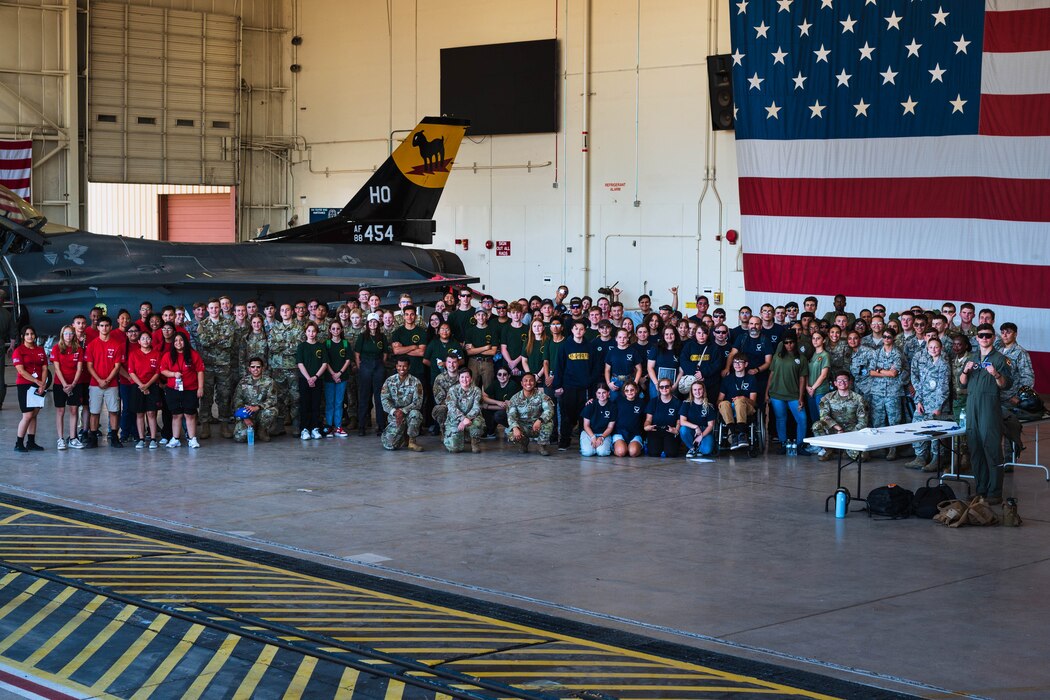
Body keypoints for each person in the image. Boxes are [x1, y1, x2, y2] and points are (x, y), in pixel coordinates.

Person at [959, 324, 1012, 505]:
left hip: (989, 407)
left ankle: (994, 492)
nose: (984, 338)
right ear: (976, 338)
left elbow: (1005, 384)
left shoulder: (1000, 359)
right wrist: (966, 370)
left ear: (993, 337)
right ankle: (981, 489)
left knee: (991, 449)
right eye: (981, 335)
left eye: (988, 336)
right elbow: (962, 383)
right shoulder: (972, 358)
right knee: (975, 449)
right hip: (972, 404)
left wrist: (996, 374)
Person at [906, 337, 950, 471]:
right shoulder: (927, 363)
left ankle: (937, 459)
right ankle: (920, 457)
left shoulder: (943, 364)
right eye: (930, 347)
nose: (933, 350)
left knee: (935, 433)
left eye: (936, 347)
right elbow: (920, 385)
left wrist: (938, 407)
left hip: (936, 405)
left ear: (941, 348)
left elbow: (943, 388)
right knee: (917, 428)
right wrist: (918, 401)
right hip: (923, 403)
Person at [554, 320, 598, 450]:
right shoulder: (564, 346)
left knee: (583, 416)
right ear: (572, 330)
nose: (579, 331)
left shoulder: (590, 347)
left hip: (585, 387)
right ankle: (564, 441)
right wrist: (558, 385)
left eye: (581, 329)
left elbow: (595, 368)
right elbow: (559, 367)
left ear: (585, 330)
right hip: (568, 387)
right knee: (567, 415)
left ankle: (582, 442)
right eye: (576, 329)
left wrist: (590, 382)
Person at [197, 298, 238, 439]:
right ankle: (205, 425)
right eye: (211, 308)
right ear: (207, 309)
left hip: (223, 365)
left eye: (216, 307)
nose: (214, 310)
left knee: (224, 396)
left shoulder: (228, 323)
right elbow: (203, 341)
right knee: (206, 397)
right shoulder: (202, 324)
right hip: (207, 366)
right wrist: (220, 338)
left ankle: (224, 425)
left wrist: (212, 339)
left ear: (220, 308)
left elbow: (228, 342)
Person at [84, 316, 126, 449]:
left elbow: (117, 366)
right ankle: (92, 438)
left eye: (107, 325)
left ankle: (114, 437)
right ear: (98, 327)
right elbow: (89, 366)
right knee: (94, 412)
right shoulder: (92, 345)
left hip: (112, 385)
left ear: (111, 327)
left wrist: (107, 380)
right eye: (101, 325)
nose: (104, 328)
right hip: (95, 384)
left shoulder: (116, 345)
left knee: (114, 411)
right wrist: (99, 380)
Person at [159, 333, 205, 448]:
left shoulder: (193, 355)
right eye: (175, 341)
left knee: (190, 414)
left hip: (190, 389)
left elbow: (200, 371)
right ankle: (175, 438)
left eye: (181, 340)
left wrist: (200, 388)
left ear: (185, 342)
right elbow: (163, 370)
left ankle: (192, 438)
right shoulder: (168, 356)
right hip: (173, 390)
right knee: (176, 415)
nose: (178, 343)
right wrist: (173, 374)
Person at [811, 371, 869, 461]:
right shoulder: (827, 397)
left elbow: (863, 421)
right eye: (839, 380)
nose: (842, 382)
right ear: (835, 383)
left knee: (862, 457)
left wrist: (851, 435)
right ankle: (829, 450)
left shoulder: (858, 398)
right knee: (817, 426)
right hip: (834, 431)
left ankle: (845, 450)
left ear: (850, 382)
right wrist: (838, 428)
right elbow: (824, 416)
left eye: (845, 380)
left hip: (852, 432)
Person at [767, 334, 809, 454]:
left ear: (796, 343)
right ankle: (783, 443)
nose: (789, 345)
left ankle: (800, 445)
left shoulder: (802, 358)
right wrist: (766, 392)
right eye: (786, 342)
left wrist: (801, 397)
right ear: (783, 344)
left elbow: (802, 379)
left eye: (791, 342)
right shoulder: (777, 357)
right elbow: (771, 375)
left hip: (794, 395)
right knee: (781, 419)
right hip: (777, 394)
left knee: (802, 419)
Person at [869, 327, 904, 460]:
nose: (886, 339)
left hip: (893, 392)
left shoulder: (897, 353)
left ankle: (892, 449)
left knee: (894, 422)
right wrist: (885, 371)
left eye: (889, 337)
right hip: (877, 392)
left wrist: (879, 370)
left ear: (894, 338)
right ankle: (880, 448)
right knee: (878, 421)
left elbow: (894, 373)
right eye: (884, 336)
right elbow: (871, 371)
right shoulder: (877, 352)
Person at [12, 326, 48, 452]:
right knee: (27, 415)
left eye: (32, 334)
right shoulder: (19, 350)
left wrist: (42, 384)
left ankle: (31, 442)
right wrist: (36, 381)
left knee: (34, 414)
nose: (30, 336)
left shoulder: (40, 350)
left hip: (38, 385)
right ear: (23, 336)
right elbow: (21, 371)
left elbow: (44, 368)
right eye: (27, 334)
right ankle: (19, 443)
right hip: (24, 385)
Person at [268, 303, 303, 433]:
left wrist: (281, 346)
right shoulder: (274, 328)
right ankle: (280, 425)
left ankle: (296, 425)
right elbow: (272, 347)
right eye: (282, 310)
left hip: (294, 368)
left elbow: (299, 346)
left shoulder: (299, 328)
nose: (285, 312)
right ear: (280, 313)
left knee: (296, 397)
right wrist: (288, 346)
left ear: (292, 312)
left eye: (287, 310)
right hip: (278, 368)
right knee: (279, 397)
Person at [126, 330, 163, 449]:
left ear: (151, 341)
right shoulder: (133, 354)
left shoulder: (156, 354)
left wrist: (147, 385)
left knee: (151, 413)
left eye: (148, 338)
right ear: (139, 341)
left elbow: (158, 372)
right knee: (140, 413)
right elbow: (131, 372)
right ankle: (141, 439)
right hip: (137, 386)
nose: (145, 341)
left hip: (152, 386)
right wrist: (142, 386)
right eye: (143, 339)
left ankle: (152, 438)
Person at [50, 325, 85, 450]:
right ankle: (60, 439)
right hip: (60, 385)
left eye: (70, 333)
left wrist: (73, 384)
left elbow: (79, 368)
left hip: (75, 384)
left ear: (74, 335)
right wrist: (65, 384)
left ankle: (73, 438)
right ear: (62, 335)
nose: (68, 336)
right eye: (66, 333)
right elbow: (57, 368)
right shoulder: (56, 348)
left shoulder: (78, 349)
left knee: (74, 410)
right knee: (60, 411)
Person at [380, 357, 424, 451]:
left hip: (409, 412)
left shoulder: (416, 382)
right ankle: (403, 438)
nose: (402, 369)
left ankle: (412, 441)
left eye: (404, 366)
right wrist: (394, 412)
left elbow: (418, 402)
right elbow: (384, 400)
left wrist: (403, 410)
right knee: (389, 445)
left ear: (409, 367)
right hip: (395, 414)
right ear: (396, 366)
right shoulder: (389, 381)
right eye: (399, 366)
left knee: (416, 414)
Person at [355, 313, 388, 436]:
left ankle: (381, 425)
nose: (373, 324)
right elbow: (357, 354)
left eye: (375, 322)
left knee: (379, 398)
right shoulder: (362, 336)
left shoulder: (382, 337)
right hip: (365, 366)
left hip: (378, 365)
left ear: (378, 324)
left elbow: (385, 353)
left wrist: (381, 365)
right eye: (370, 322)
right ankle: (361, 426)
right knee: (364, 397)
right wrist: (361, 367)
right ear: (367, 324)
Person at [506, 372, 554, 455]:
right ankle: (523, 443)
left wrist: (540, 420)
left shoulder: (541, 395)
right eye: (525, 380)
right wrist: (515, 428)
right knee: (511, 433)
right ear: (521, 383)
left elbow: (549, 410)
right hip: (523, 426)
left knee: (549, 423)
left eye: (531, 381)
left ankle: (542, 445)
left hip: (537, 426)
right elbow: (511, 415)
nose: (528, 383)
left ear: (535, 383)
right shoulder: (515, 398)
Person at [233, 357, 279, 443]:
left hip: (261, 412)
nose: (255, 369)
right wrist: (245, 417)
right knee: (239, 438)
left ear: (262, 368)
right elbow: (237, 400)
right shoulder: (243, 381)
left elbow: (272, 399)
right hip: (247, 413)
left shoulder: (269, 381)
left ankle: (262, 430)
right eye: (253, 367)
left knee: (271, 411)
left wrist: (258, 407)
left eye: (258, 367)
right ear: (249, 369)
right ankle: (252, 427)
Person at [296, 321, 328, 440]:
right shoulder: (302, 346)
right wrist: (309, 378)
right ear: (305, 332)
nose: (311, 333)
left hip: (317, 380)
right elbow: (300, 363)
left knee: (316, 404)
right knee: (305, 404)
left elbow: (325, 363)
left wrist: (315, 377)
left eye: (313, 331)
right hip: (304, 379)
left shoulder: (321, 346)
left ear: (317, 333)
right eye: (309, 331)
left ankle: (315, 428)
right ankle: (304, 429)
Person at [718, 356, 758, 450]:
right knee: (723, 404)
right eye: (735, 362)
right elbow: (719, 400)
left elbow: (753, 403)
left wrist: (743, 398)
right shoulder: (727, 379)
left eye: (740, 362)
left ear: (746, 364)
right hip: (730, 408)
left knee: (739, 401)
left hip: (746, 407)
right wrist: (724, 403)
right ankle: (733, 435)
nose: (737, 364)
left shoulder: (751, 379)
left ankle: (742, 434)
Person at [443, 367, 486, 453]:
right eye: (462, 377)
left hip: (472, 419)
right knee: (454, 449)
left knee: (478, 423)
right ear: (459, 378)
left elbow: (476, 408)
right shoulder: (453, 390)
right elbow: (451, 408)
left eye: (467, 377)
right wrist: (463, 419)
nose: (464, 379)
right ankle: (461, 436)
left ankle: (474, 442)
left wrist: (466, 419)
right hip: (456, 419)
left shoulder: (476, 390)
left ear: (471, 379)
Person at [322, 320, 352, 437]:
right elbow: (326, 361)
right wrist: (333, 374)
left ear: (341, 330)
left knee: (339, 402)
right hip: (329, 378)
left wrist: (339, 373)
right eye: (333, 329)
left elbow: (348, 360)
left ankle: (338, 427)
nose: (336, 331)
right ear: (330, 330)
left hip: (342, 377)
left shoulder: (345, 344)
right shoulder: (327, 344)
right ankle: (329, 427)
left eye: (338, 328)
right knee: (330, 403)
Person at [645, 377, 682, 457]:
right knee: (653, 453)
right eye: (661, 387)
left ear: (671, 387)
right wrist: (646, 426)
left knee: (671, 453)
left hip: (670, 431)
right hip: (655, 430)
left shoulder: (677, 403)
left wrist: (676, 430)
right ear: (658, 388)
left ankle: (665, 446)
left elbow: (679, 420)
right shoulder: (653, 402)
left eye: (667, 386)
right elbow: (648, 419)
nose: (664, 388)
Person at [679, 380, 716, 458]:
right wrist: (696, 427)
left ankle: (698, 448)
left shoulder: (709, 406)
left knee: (706, 450)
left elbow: (710, 425)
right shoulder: (686, 404)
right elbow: (682, 421)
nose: (697, 392)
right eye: (695, 390)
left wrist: (701, 436)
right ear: (691, 392)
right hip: (691, 430)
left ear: (703, 390)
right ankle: (692, 448)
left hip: (705, 431)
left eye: (700, 389)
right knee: (683, 429)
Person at [580, 383, 616, 456]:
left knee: (602, 452)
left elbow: (610, 427)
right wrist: (593, 437)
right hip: (589, 433)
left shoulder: (612, 406)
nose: (601, 395)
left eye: (604, 392)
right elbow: (586, 425)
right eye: (599, 393)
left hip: (604, 434)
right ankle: (589, 446)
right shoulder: (590, 405)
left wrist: (602, 437)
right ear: (596, 394)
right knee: (588, 453)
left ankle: (601, 447)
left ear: (608, 393)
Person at [482, 367, 518, 439]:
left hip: (512, 412)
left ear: (509, 376)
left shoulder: (512, 385)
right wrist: (497, 402)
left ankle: (511, 427)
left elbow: (507, 406)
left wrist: (488, 406)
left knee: (498, 414)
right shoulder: (495, 383)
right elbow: (484, 396)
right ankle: (491, 431)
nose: (502, 376)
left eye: (505, 374)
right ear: (497, 375)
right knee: (485, 411)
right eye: (499, 374)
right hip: (499, 407)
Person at [0, 289, 15, 411]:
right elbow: (13, 333)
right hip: (0, 346)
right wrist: (11, 347)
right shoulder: (7, 314)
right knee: (0, 376)